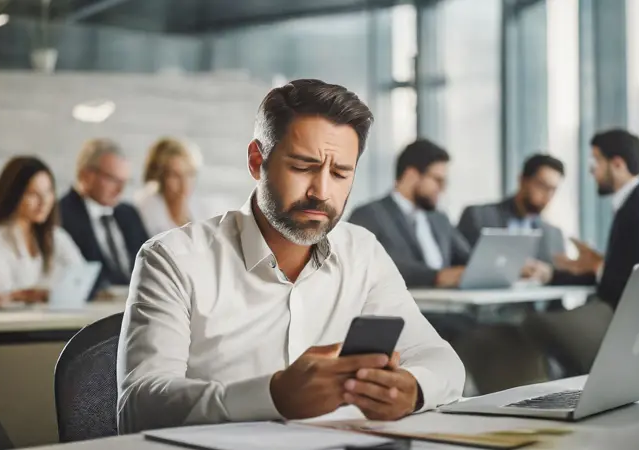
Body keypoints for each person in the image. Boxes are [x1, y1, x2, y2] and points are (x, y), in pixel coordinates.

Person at [117, 79, 464, 432]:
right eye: (302, 167)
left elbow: (442, 361)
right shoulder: (173, 258)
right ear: (256, 161)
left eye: (341, 173)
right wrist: (271, 396)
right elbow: (139, 404)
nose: (321, 192)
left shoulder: (362, 251)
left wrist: (412, 389)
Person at [551, 129, 639, 308]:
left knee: (536, 324)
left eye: (596, 161)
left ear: (618, 164)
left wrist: (597, 267)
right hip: (630, 312)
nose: (592, 171)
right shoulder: (637, 204)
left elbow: (634, 282)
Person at [348, 140, 470, 288]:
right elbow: (369, 265)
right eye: (437, 180)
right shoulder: (369, 215)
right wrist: (437, 277)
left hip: (453, 305)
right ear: (411, 175)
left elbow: (468, 258)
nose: (442, 189)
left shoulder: (439, 219)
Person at [0, 157, 85, 300]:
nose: (44, 202)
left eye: (48, 192)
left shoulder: (55, 235)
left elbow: (80, 275)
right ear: (14, 194)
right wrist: (27, 295)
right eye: (33, 194)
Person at [457, 154, 566, 283]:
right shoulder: (478, 217)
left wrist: (547, 274)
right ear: (522, 180)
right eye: (541, 185)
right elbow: (460, 267)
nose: (547, 195)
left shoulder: (553, 234)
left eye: (552, 189)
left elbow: (558, 280)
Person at [59, 139, 149, 289]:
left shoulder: (129, 214)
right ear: (86, 175)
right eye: (113, 179)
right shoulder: (61, 214)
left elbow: (150, 263)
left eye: (125, 182)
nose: (120, 189)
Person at [133, 138, 204, 236]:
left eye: (189, 174)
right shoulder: (142, 212)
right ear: (158, 177)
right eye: (174, 175)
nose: (184, 183)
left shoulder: (201, 209)